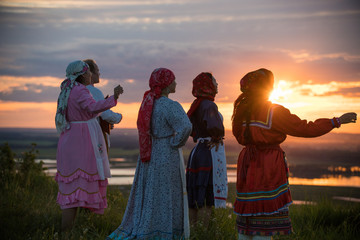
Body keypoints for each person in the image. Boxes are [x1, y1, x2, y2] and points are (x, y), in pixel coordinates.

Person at [231, 68, 357, 239]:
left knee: (247, 220)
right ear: (267, 88)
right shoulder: (274, 111)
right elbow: (304, 128)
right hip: (267, 166)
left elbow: (238, 136)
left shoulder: (241, 112)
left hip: (247, 164)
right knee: (265, 221)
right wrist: (335, 121)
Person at [107, 68, 192, 240]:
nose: (175, 83)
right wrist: (175, 143)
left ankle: (148, 226)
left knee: (150, 191)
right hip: (166, 152)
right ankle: (165, 230)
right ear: (166, 84)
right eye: (173, 80)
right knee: (166, 191)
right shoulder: (170, 105)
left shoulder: (148, 102)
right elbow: (186, 127)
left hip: (149, 151)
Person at [55, 60, 123, 231]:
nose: (91, 75)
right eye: (89, 73)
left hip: (69, 137)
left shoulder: (66, 90)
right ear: (83, 75)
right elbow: (92, 107)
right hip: (82, 140)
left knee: (73, 187)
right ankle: (70, 231)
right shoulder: (79, 91)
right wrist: (114, 98)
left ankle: (69, 231)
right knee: (82, 181)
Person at [186, 72, 228, 226]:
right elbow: (215, 126)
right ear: (207, 85)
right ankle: (204, 232)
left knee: (196, 196)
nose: (217, 84)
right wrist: (217, 137)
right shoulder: (209, 105)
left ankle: (193, 231)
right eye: (214, 81)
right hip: (209, 153)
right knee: (206, 197)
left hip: (198, 152)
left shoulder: (196, 105)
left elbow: (188, 127)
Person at [84, 59, 123, 153]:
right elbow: (105, 114)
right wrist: (118, 117)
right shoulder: (94, 91)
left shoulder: (75, 90)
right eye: (97, 70)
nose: (99, 74)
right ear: (90, 74)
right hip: (93, 133)